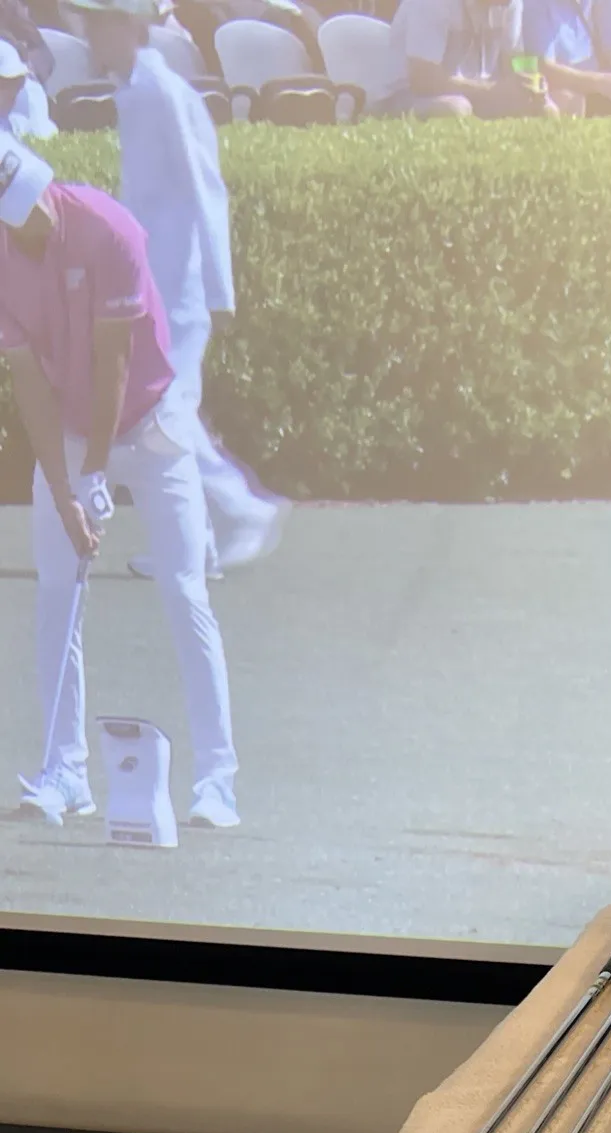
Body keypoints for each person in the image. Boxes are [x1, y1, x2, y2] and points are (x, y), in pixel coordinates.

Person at [0, 138, 241, 826]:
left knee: (184, 589)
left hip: (154, 424)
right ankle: (66, 772)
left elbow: (114, 365)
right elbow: (29, 386)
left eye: (33, 199)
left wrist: (97, 474)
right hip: (72, 428)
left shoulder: (110, 229)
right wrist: (65, 492)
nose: (34, 217)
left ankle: (218, 781)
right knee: (57, 591)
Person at [72, 0, 285, 584]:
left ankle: (241, 512)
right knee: (164, 415)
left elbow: (203, 185)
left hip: (180, 290)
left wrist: (218, 287)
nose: (89, 36)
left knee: (167, 414)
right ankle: (200, 546)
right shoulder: (136, 92)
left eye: (98, 24)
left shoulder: (162, 92)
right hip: (151, 286)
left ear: (126, 28)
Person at [373, 0, 555, 115]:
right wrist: (493, 92)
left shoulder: (511, 3)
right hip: (406, 96)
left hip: (477, 94)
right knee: (456, 108)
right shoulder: (431, 3)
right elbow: (422, 79)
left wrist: (530, 85)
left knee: (548, 109)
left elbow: (513, 60)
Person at [0, 36, 54, 136]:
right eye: (5, 84)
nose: (13, 92)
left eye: (18, 82)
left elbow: (42, 133)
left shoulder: (31, 94)